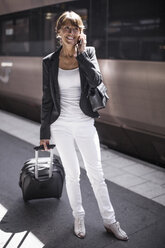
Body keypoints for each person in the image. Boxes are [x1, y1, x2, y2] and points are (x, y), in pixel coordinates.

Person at [40, 11, 128, 241]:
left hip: (84, 123)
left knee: (96, 173)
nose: (71, 33)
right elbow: (47, 100)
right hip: (60, 125)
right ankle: (78, 216)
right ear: (58, 31)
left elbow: (97, 81)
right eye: (67, 28)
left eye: (76, 28)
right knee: (72, 174)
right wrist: (44, 134)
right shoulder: (49, 62)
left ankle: (110, 221)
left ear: (81, 33)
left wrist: (81, 56)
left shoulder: (88, 53)